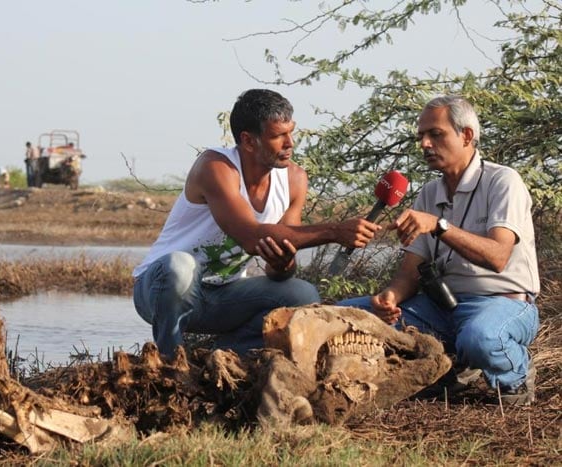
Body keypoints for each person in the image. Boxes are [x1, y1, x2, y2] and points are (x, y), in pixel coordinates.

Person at [133, 89, 381, 358]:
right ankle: (172, 364)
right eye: (277, 136)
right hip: (161, 292)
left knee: (302, 294)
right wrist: (335, 231)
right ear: (248, 141)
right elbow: (250, 236)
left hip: (222, 296)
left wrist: (282, 263)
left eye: (291, 132)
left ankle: (223, 355)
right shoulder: (216, 166)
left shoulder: (294, 180)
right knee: (179, 266)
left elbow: (281, 269)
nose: (290, 143)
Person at [339, 95, 540, 405]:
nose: (425, 144)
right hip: (443, 308)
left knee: (480, 338)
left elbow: (498, 257)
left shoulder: (504, 181)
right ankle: (450, 369)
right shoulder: (429, 193)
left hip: (502, 304)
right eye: (421, 136)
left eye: (436, 134)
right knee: (347, 315)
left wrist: (439, 225)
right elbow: (409, 273)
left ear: (467, 135)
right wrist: (390, 298)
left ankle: (515, 375)